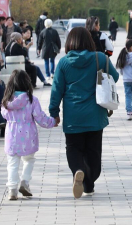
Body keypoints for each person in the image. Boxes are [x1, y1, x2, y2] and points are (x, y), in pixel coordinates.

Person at [49, 27, 119, 199]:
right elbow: (115, 76)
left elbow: (56, 90)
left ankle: (78, 170)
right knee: (93, 151)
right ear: (89, 40)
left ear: (69, 42)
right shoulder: (100, 58)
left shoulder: (64, 63)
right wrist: (98, 76)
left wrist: (54, 112)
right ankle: (89, 184)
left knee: (73, 148)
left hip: (73, 117)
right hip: (95, 114)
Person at [1, 70, 57, 200]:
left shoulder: (6, 101)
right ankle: (25, 182)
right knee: (29, 160)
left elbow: (4, 115)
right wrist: (53, 122)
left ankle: (12, 190)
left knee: (12, 163)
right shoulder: (32, 100)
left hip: (12, 137)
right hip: (28, 137)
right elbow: (40, 118)